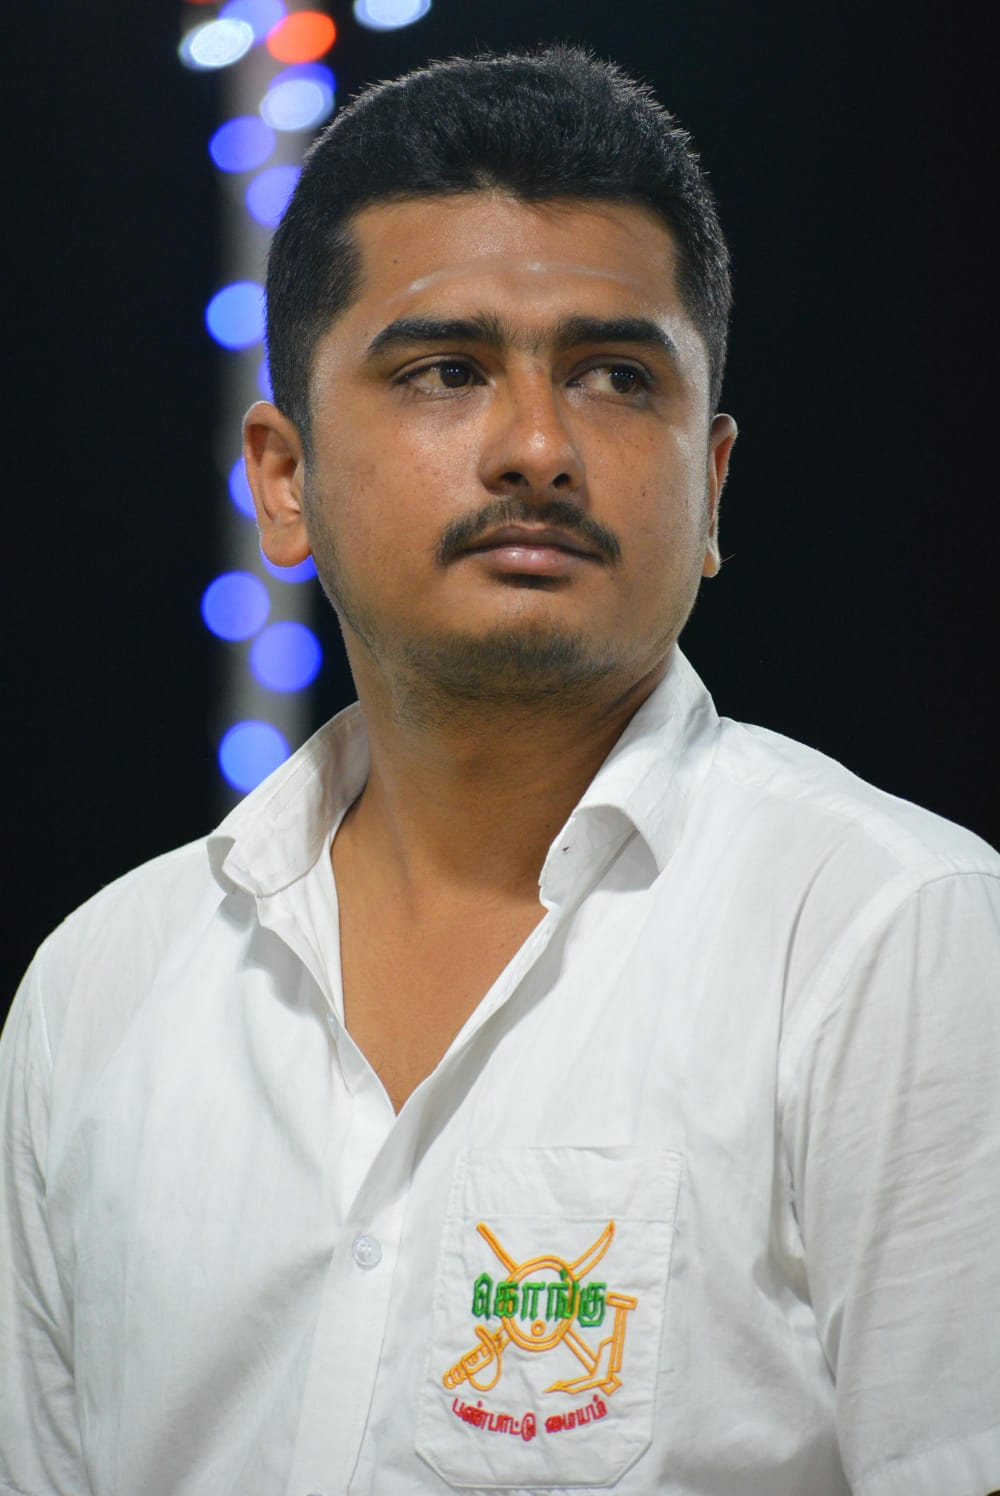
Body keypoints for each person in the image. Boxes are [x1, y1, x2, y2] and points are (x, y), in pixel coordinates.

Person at [1, 45, 997, 1496]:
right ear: (284, 478)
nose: (538, 446)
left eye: (614, 376)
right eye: (446, 371)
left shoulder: (895, 939)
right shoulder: (101, 990)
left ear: (713, 485)